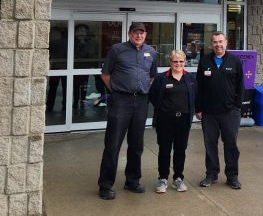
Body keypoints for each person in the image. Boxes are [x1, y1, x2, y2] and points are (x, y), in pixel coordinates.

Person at [97, 22, 157, 200]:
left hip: (141, 101)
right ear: (129, 34)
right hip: (120, 101)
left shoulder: (151, 52)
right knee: (113, 144)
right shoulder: (117, 49)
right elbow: (105, 74)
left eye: (142, 33)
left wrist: (142, 89)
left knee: (136, 144)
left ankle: (132, 180)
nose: (139, 36)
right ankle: (105, 185)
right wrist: (116, 90)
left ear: (145, 35)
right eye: (136, 32)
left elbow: (152, 75)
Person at [196, 31, 244, 189]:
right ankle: (211, 174)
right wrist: (198, 108)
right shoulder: (204, 62)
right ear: (212, 44)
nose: (218, 44)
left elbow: (240, 86)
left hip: (230, 112)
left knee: (231, 144)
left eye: (220, 41)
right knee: (210, 144)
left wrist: (237, 107)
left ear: (226, 42)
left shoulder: (235, 61)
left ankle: (232, 176)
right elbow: (199, 87)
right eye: (215, 42)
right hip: (209, 112)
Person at [149, 50, 196, 194]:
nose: (178, 64)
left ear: (185, 62)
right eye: (175, 61)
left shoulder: (190, 78)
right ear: (170, 62)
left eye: (181, 61)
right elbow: (152, 96)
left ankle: (178, 179)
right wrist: (163, 108)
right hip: (165, 120)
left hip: (184, 119)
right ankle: (163, 178)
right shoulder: (162, 78)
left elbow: (196, 96)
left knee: (180, 150)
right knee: (164, 150)